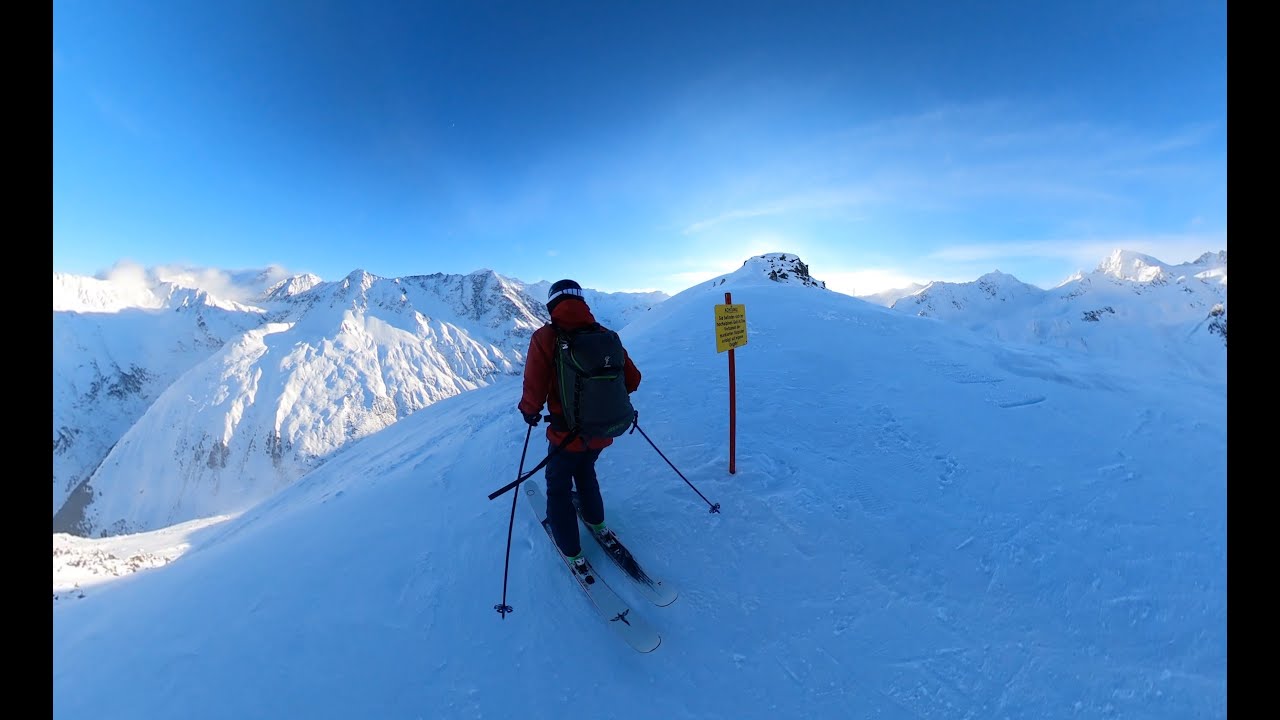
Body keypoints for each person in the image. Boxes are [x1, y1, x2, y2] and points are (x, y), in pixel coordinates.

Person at [518, 279, 641, 574]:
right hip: (601, 432)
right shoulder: (606, 335)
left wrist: (529, 411)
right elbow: (633, 379)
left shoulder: (546, 337)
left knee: (558, 488)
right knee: (586, 472)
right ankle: (597, 523)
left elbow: (534, 385)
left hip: (565, 434)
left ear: (551, 305)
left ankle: (572, 552)